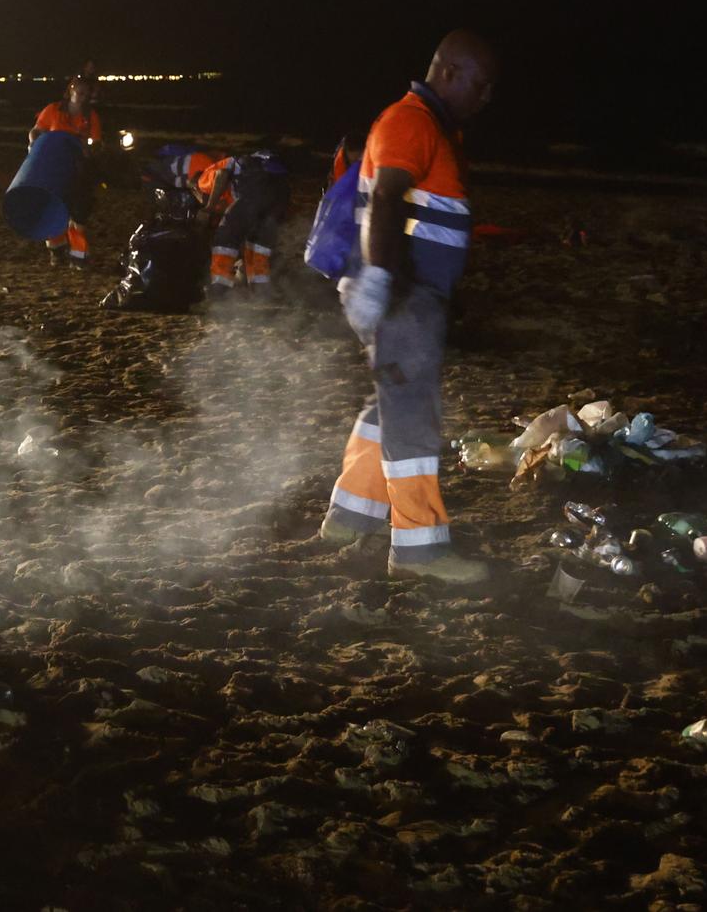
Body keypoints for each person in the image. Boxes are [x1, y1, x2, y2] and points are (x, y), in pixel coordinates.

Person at [318, 30, 496, 584]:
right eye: (480, 84)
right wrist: (378, 284)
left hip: (407, 294)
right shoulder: (413, 121)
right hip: (400, 296)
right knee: (414, 415)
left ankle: (349, 517)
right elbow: (389, 199)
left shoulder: (431, 124)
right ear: (448, 72)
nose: (486, 96)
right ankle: (420, 552)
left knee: (391, 401)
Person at [28, 74, 102, 265]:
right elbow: (37, 130)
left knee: (79, 215)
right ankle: (57, 251)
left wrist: (89, 148)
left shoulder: (91, 116)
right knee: (53, 207)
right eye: (81, 92)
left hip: (78, 170)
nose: (84, 96)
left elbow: (96, 143)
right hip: (53, 167)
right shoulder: (53, 110)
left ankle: (78, 256)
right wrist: (34, 145)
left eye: (88, 94)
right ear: (71, 91)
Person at [195, 150, 289, 296]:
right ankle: (260, 291)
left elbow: (221, 175)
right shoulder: (262, 160)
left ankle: (219, 288)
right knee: (258, 247)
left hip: (251, 196)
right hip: (278, 202)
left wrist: (209, 208)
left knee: (225, 239)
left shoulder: (203, 180)